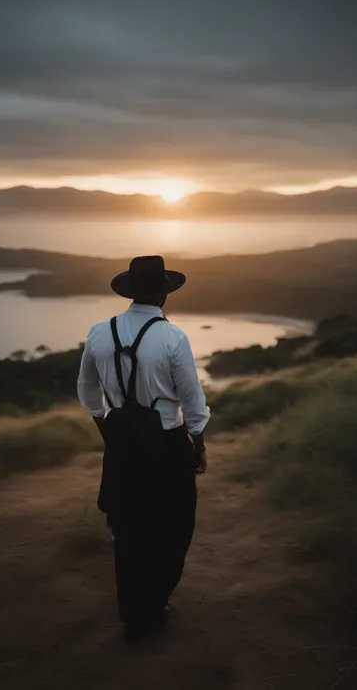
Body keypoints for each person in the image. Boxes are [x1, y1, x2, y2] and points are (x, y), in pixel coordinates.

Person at [77, 255, 210, 642]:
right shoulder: (173, 338)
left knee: (129, 529)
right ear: (164, 295)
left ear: (130, 292)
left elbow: (88, 393)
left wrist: (109, 430)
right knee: (174, 525)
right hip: (167, 447)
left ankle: (134, 613)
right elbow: (194, 402)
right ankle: (154, 604)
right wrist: (197, 444)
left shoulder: (99, 332)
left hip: (120, 447)